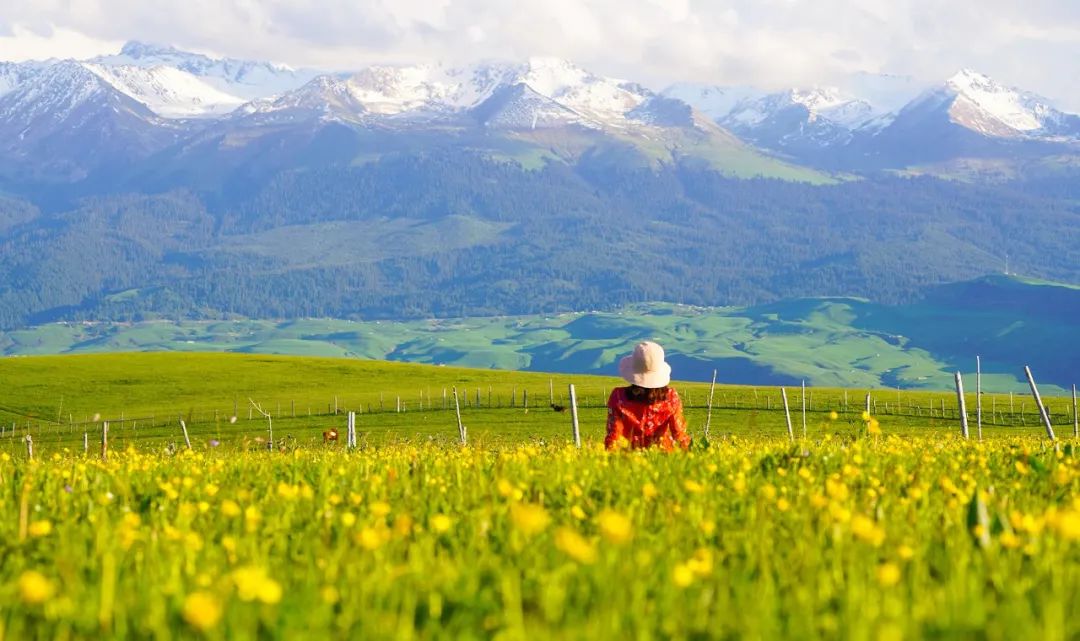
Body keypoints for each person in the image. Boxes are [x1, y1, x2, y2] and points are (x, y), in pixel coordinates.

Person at [605, 341, 691, 451]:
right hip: (663, 457)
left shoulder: (618, 397)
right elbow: (679, 435)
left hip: (628, 458)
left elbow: (614, 436)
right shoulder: (671, 397)